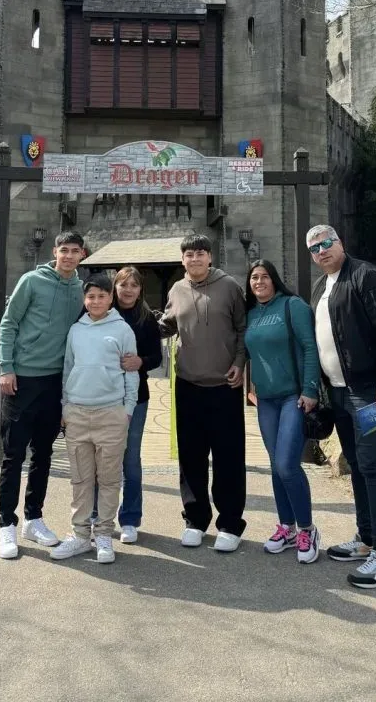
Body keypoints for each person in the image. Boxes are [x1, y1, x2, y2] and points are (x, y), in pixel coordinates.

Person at [307, 224, 376, 589]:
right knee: (359, 468)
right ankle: (366, 540)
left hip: (371, 392)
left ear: (341, 242)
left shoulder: (367, 275)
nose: (322, 251)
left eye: (327, 243)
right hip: (339, 393)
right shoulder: (321, 287)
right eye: (315, 248)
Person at [0, 231, 86, 560]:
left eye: (75, 251)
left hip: (55, 383)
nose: (69, 256)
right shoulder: (32, 281)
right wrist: (6, 367)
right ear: (55, 252)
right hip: (21, 380)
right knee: (13, 455)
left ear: (82, 255)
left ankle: (33, 518)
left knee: (44, 453)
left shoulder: (81, 289)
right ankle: (6, 522)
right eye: (64, 250)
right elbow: (9, 323)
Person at [159, 233, 247, 552]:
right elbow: (167, 324)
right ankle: (195, 519)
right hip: (188, 384)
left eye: (200, 253)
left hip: (225, 384)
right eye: (188, 255)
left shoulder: (230, 286)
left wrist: (240, 361)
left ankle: (230, 523)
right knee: (191, 455)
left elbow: (242, 327)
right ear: (182, 260)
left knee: (228, 456)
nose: (194, 259)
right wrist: (131, 323)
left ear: (210, 257)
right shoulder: (177, 289)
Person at [51, 274, 139, 563]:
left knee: (110, 479)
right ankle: (79, 535)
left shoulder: (123, 329)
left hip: (111, 413)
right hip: (77, 413)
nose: (96, 301)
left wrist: (127, 410)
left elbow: (130, 371)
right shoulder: (76, 330)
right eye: (91, 296)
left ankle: (103, 534)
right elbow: (68, 369)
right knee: (81, 479)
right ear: (84, 299)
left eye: (102, 296)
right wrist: (64, 407)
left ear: (110, 298)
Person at [245, 260, 321, 562]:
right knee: (276, 464)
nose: (259, 282)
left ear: (274, 280)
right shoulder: (251, 314)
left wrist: (310, 389)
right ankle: (287, 528)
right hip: (265, 401)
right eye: (254, 278)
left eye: (264, 277)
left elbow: (310, 347)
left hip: (294, 397)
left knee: (288, 465)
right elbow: (250, 351)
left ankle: (307, 528)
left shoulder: (293, 306)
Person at [91, 266, 162, 544]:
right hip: (101, 395)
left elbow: (155, 356)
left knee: (130, 459)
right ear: (114, 288)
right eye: (123, 285)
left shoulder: (146, 319)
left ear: (140, 289)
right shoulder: (100, 313)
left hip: (135, 398)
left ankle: (130, 518)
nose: (129, 290)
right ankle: (96, 515)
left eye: (134, 285)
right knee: (100, 458)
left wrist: (141, 361)